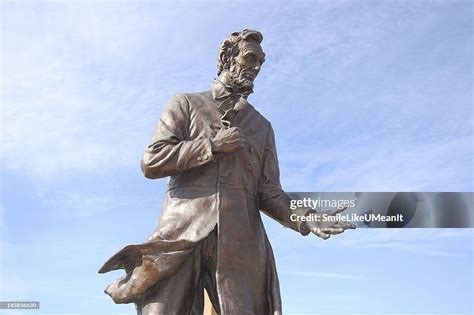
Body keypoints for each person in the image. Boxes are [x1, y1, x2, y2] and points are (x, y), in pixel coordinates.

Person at [99, 29, 355, 315]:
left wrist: (307, 219)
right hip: (181, 238)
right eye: (250, 58)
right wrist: (210, 146)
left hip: (240, 246)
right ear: (227, 58)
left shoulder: (262, 127)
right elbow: (152, 160)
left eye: (261, 61)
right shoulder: (185, 104)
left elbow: (270, 193)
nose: (256, 67)